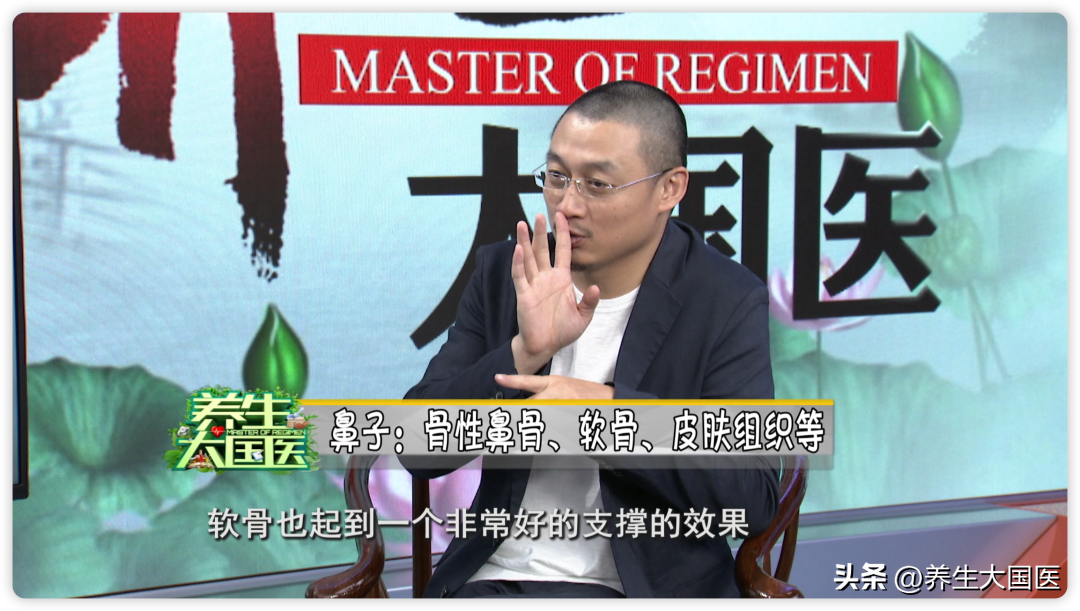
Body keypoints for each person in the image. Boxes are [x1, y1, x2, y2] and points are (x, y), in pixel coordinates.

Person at [402, 80, 778, 599]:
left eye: (597, 185)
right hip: (497, 578)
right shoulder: (506, 274)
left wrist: (605, 413)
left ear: (670, 189)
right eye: (556, 177)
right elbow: (418, 448)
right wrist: (524, 353)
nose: (567, 205)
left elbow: (752, 494)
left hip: (640, 586)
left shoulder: (724, 298)